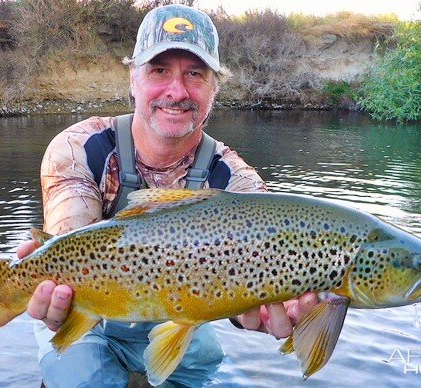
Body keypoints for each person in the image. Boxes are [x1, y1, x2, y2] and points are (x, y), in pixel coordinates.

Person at [17, 4, 318, 387]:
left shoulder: (232, 177)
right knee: (87, 378)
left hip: (173, 310)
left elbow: (265, 257)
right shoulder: (79, 148)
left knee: (205, 360)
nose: (177, 91)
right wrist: (45, 285)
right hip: (86, 306)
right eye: (160, 70)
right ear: (133, 79)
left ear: (214, 88)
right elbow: (69, 249)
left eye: (195, 74)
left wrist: (263, 305)